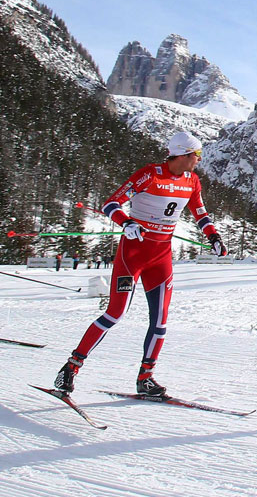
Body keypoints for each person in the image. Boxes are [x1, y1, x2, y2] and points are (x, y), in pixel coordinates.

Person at [52, 131, 228, 398]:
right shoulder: (150, 174)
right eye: (198, 155)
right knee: (114, 314)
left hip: (161, 257)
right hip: (132, 254)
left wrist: (213, 236)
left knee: (160, 321)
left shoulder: (192, 181)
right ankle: (71, 367)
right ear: (183, 154)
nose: (199, 160)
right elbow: (111, 204)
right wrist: (128, 223)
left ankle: (146, 378)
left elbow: (200, 213)